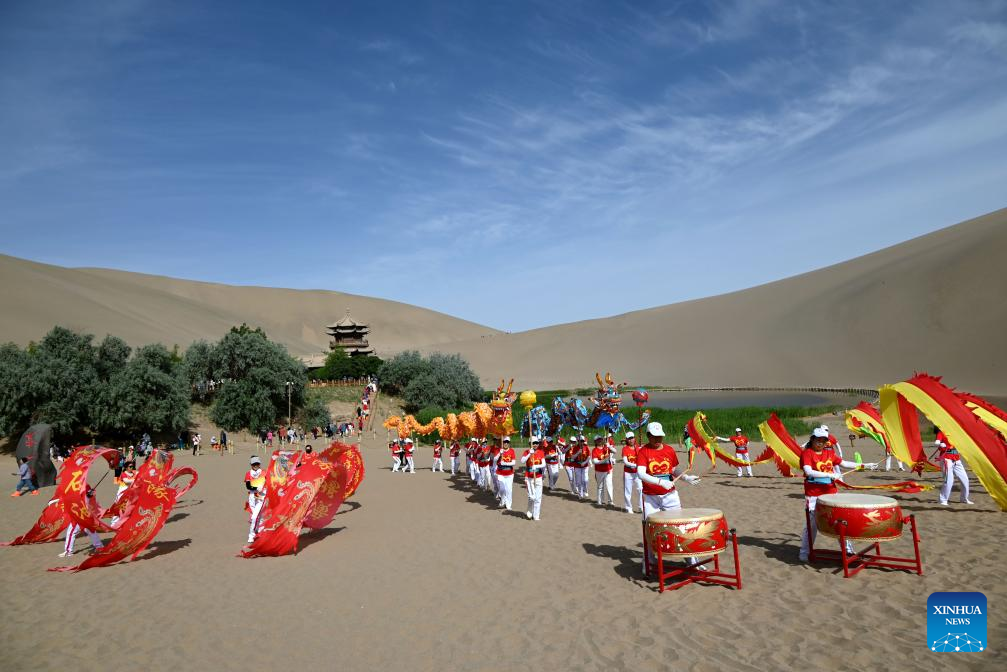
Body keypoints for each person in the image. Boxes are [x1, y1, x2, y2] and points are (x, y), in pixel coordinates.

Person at [799, 428, 877, 562]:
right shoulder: (807, 453)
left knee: (840, 523)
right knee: (812, 526)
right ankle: (804, 552)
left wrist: (865, 465)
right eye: (818, 440)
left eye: (823, 440)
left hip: (831, 493)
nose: (820, 443)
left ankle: (848, 551)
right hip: (814, 495)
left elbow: (844, 463)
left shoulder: (829, 453)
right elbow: (808, 471)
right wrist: (829, 475)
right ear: (812, 439)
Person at [635, 422, 702, 566]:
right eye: (654, 437)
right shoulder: (643, 451)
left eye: (660, 436)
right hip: (650, 497)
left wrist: (686, 478)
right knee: (650, 528)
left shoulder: (669, 450)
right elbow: (641, 473)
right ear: (648, 436)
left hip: (670, 496)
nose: (658, 439)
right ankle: (649, 560)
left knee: (678, 525)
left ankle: (691, 560)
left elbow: (673, 469)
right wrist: (660, 482)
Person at [60, 488, 104, 557]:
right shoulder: (79, 486)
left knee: (71, 532)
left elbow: (88, 497)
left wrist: (89, 494)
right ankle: (99, 546)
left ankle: (68, 551)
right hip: (84, 513)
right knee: (90, 530)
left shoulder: (81, 486)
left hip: (80, 514)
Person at [930, 436, 972, 505]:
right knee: (949, 481)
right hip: (946, 459)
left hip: (957, 460)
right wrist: (940, 444)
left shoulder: (956, 433)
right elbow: (937, 442)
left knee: (965, 479)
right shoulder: (942, 432)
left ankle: (964, 498)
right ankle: (943, 500)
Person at [521, 438, 545, 520]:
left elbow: (543, 464)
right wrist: (529, 454)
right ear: (529, 444)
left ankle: (536, 516)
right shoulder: (526, 452)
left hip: (538, 477)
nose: (535, 444)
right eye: (533, 443)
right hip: (529, 478)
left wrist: (537, 466)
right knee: (532, 497)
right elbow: (522, 461)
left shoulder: (541, 452)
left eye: (536, 443)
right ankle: (529, 511)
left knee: (538, 498)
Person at [244, 456, 266, 544]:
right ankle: (260, 531)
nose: (255, 465)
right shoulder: (248, 473)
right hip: (252, 497)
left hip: (261, 497)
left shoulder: (264, 472)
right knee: (258, 516)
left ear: (259, 464)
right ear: (251, 464)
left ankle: (251, 535)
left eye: (257, 464)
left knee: (254, 517)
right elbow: (248, 486)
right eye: (254, 464)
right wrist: (256, 488)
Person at [591, 435, 616, 506]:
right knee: (600, 486)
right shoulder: (594, 450)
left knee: (609, 485)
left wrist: (609, 446)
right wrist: (604, 461)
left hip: (608, 469)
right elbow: (595, 461)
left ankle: (610, 501)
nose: (599, 441)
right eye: (597, 440)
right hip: (599, 471)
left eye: (600, 439)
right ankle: (600, 501)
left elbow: (615, 451)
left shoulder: (606, 447)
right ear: (595, 442)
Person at [621, 432, 641, 514]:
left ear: (634, 438)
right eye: (629, 438)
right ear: (626, 440)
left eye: (632, 438)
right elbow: (625, 462)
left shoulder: (638, 448)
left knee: (640, 489)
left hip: (637, 472)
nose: (631, 440)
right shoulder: (625, 449)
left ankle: (641, 507)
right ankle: (628, 507)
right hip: (628, 473)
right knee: (628, 491)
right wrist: (635, 465)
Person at [496, 438, 516, 510]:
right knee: (502, 489)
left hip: (509, 474)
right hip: (500, 473)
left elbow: (513, 462)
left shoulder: (512, 451)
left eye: (507, 442)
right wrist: (499, 454)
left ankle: (508, 505)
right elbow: (494, 459)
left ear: (509, 443)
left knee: (509, 490)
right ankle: (502, 501)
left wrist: (505, 463)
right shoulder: (499, 450)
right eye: (504, 442)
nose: (506, 443)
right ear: (502, 443)